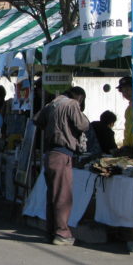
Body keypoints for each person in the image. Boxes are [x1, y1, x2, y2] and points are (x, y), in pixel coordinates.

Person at [34, 86, 90, 245]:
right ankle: (62, 233)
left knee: (53, 195)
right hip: (62, 153)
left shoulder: (52, 104)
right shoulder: (71, 104)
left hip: (50, 153)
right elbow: (83, 125)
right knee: (63, 196)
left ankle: (51, 231)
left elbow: (37, 120)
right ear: (79, 97)